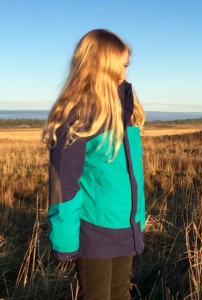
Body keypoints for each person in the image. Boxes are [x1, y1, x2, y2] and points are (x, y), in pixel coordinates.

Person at [42, 29, 146, 300]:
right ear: (104, 66)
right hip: (95, 232)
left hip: (126, 226)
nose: (126, 72)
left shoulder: (126, 113)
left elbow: (132, 175)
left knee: (121, 294)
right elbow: (63, 185)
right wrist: (65, 240)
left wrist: (138, 218)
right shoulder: (78, 118)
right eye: (122, 65)